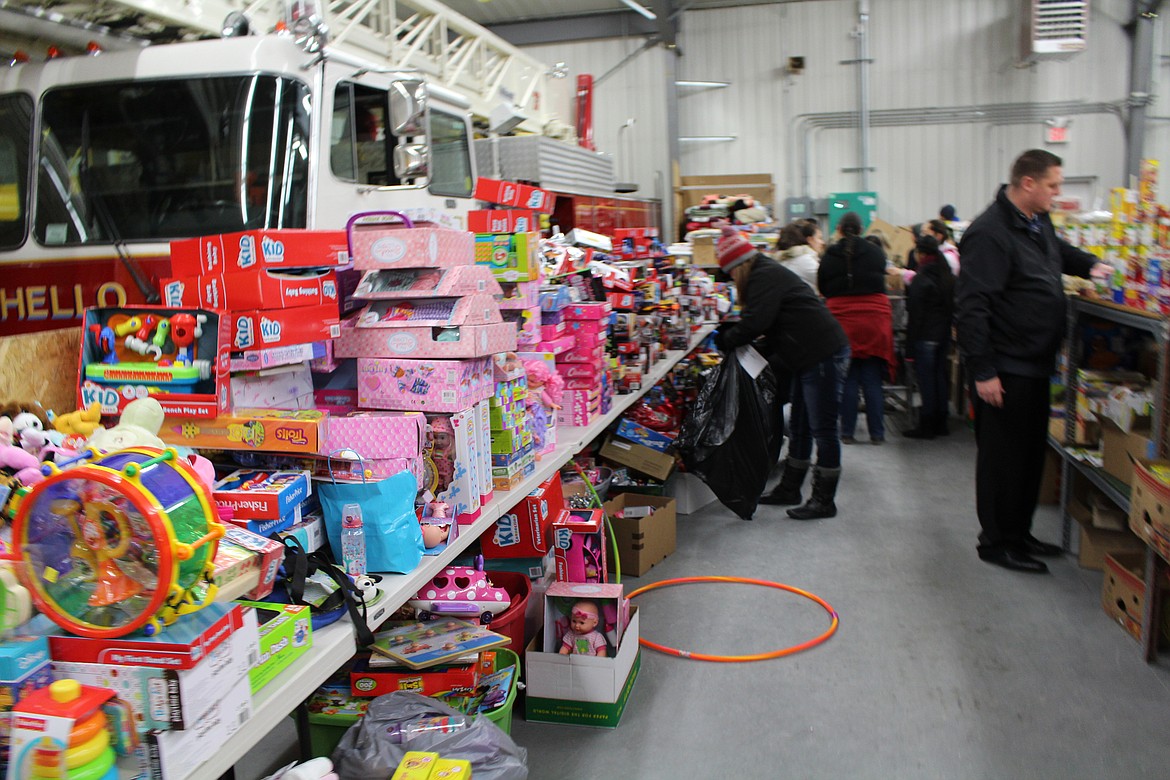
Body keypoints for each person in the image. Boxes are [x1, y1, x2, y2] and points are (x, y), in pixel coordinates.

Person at [956, 149, 1110, 574]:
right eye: (1053, 186)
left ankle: (1019, 533)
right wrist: (983, 370)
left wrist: (1093, 265)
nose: (1058, 194)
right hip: (1004, 368)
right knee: (1001, 460)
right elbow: (972, 306)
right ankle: (996, 542)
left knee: (1027, 459)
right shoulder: (990, 233)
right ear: (1029, 184)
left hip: (1035, 363)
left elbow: (1055, 250)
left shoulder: (1035, 221)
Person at [712, 225, 849, 520]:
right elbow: (775, 324)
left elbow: (756, 321)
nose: (733, 280)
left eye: (732, 273)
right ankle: (790, 488)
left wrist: (726, 340)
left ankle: (824, 500)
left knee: (823, 430)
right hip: (805, 355)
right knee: (800, 426)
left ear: (740, 265)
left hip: (823, 353)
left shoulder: (763, 275)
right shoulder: (765, 272)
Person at [819, 212, 895, 445]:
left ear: (840, 229)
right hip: (874, 321)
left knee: (848, 379)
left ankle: (847, 433)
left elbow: (823, 287)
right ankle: (877, 434)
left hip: (842, 322)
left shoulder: (830, 255)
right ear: (861, 229)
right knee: (872, 379)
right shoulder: (875, 252)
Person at [903, 235, 956, 439]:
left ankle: (926, 425)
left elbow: (915, 314)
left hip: (925, 335)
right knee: (940, 377)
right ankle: (941, 423)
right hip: (943, 334)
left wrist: (909, 348)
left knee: (926, 381)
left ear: (920, 254)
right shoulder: (947, 275)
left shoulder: (921, 278)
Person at [776, 220, 821, 293]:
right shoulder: (804, 260)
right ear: (809, 239)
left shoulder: (783, 258)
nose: (822, 242)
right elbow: (827, 281)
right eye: (819, 238)